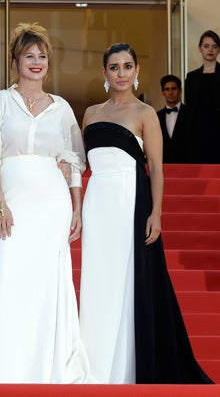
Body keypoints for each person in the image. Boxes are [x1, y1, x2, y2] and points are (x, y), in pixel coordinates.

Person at [79, 42, 212, 384]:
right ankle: (96, 365)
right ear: (104, 73)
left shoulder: (145, 114)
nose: (121, 73)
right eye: (114, 67)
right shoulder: (91, 113)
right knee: (99, 282)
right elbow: (80, 164)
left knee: (130, 283)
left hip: (131, 205)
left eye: (127, 66)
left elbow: (156, 168)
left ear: (137, 72)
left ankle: (128, 367)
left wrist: (157, 213)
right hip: (98, 206)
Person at [0, 23, 89, 383]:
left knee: (47, 287)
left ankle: (47, 369)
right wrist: (0, 204)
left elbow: (72, 161)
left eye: (42, 56)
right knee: (9, 279)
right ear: (15, 61)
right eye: (29, 56)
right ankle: (5, 371)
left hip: (51, 205)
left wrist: (76, 208)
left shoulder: (62, 108)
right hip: (12, 204)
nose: (36, 62)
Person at [184, 30, 220, 163]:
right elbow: (189, 109)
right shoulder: (192, 77)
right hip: (197, 135)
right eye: (206, 46)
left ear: (219, 49)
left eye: (214, 46)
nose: (210, 50)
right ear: (200, 48)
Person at [156, 74, 188, 163]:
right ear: (162, 92)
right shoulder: (156, 116)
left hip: (187, 165)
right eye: (167, 89)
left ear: (180, 90)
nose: (170, 92)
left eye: (174, 88)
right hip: (163, 166)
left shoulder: (191, 114)